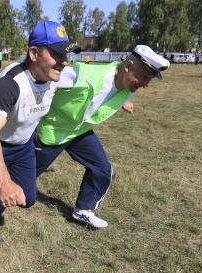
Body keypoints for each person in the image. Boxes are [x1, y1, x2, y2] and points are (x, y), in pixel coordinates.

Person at [35, 45, 170, 228]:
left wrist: (125, 101)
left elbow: (108, 94)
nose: (145, 84)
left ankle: (84, 210)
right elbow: (48, 79)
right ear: (128, 66)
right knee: (23, 180)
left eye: (149, 80)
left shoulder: (127, 84)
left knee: (102, 169)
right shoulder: (83, 75)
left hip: (79, 132)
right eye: (144, 77)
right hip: (53, 131)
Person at [0, 21, 80, 246]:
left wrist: (123, 92)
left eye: (67, 55)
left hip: (24, 145)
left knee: (29, 199)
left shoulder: (57, 74)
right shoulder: (11, 82)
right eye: (57, 54)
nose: (64, 62)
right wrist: (4, 181)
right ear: (34, 53)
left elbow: (92, 77)